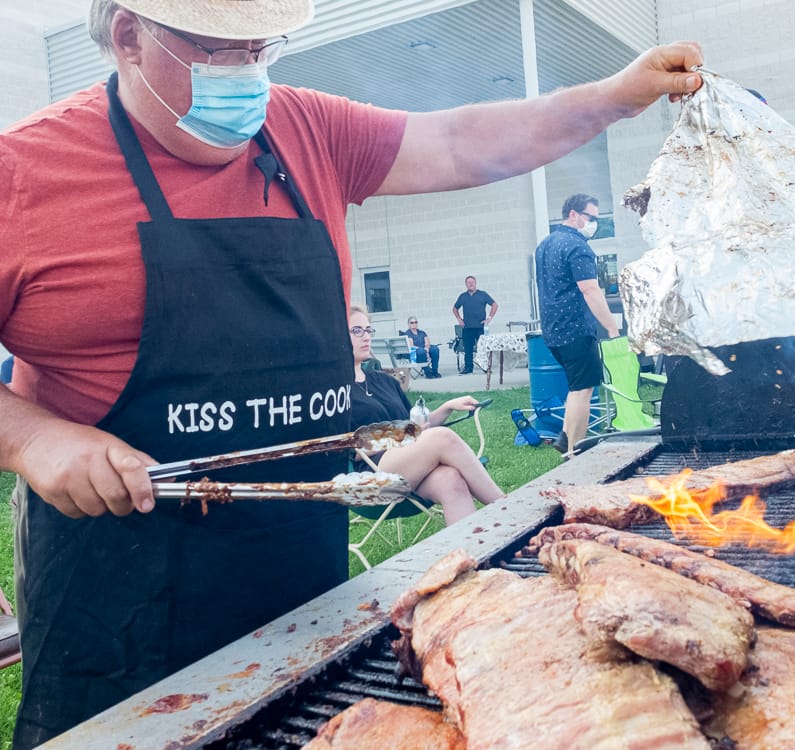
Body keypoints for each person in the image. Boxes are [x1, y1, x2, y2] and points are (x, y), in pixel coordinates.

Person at [0, 0, 703, 741]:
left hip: (302, 573)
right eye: (219, 51)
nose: (247, 74)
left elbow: (463, 142)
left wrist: (611, 96)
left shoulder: (307, 129)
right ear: (129, 37)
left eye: (260, 50)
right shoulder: (22, 172)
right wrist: (36, 442)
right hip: (122, 607)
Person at [349, 307, 502, 522]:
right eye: (356, 330)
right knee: (442, 437)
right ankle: (506, 508)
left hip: (409, 465)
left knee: (451, 480)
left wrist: (446, 407)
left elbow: (415, 427)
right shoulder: (336, 393)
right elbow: (348, 449)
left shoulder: (385, 381)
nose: (365, 336)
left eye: (367, 330)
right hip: (371, 476)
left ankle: (471, 553)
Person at [535, 194, 620, 457]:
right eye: (591, 217)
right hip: (575, 329)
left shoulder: (545, 245)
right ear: (573, 214)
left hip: (552, 330)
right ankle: (574, 451)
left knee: (576, 387)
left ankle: (565, 438)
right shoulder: (577, 246)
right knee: (583, 389)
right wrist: (612, 328)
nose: (593, 223)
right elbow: (590, 290)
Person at [452, 275, 497, 374]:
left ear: (475, 283)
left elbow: (494, 305)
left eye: (472, 282)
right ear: (466, 284)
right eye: (468, 282)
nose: (471, 284)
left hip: (480, 327)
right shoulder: (462, 296)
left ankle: (486, 368)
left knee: (483, 348)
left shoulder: (483, 294)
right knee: (468, 349)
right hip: (467, 327)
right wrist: (459, 319)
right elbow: (455, 308)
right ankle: (468, 368)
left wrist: (489, 318)